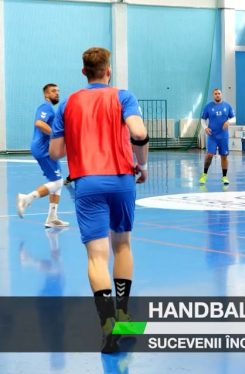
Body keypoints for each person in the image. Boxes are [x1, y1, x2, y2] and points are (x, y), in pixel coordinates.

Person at [49, 47, 149, 353]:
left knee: (96, 256)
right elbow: (139, 132)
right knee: (123, 245)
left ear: (84, 72)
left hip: (87, 181)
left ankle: (106, 322)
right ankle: (124, 315)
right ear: (108, 70)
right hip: (121, 179)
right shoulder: (123, 97)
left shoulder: (68, 103)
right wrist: (142, 164)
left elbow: (55, 153)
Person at [16, 83, 70, 227]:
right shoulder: (45, 106)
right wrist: (55, 135)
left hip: (49, 149)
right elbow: (39, 123)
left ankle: (52, 218)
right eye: (53, 91)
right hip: (43, 149)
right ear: (46, 94)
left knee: (57, 181)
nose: (57, 93)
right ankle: (27, 198)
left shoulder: (51, 109)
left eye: (58, 91)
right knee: (57, 182)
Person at [199, 88, 235, 185]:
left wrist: (228, 121)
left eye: (219, 93)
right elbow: (203, 119)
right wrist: (205, 128)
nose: (217, 95)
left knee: (224, 156)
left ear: (221, 95)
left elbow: (234, 118)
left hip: (223, 136)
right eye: (215, 93)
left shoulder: (227, 106)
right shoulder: (208, 107)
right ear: (213, 95)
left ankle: (224, 177)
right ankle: (204, 175)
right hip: (212, 136)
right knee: (209, 155)